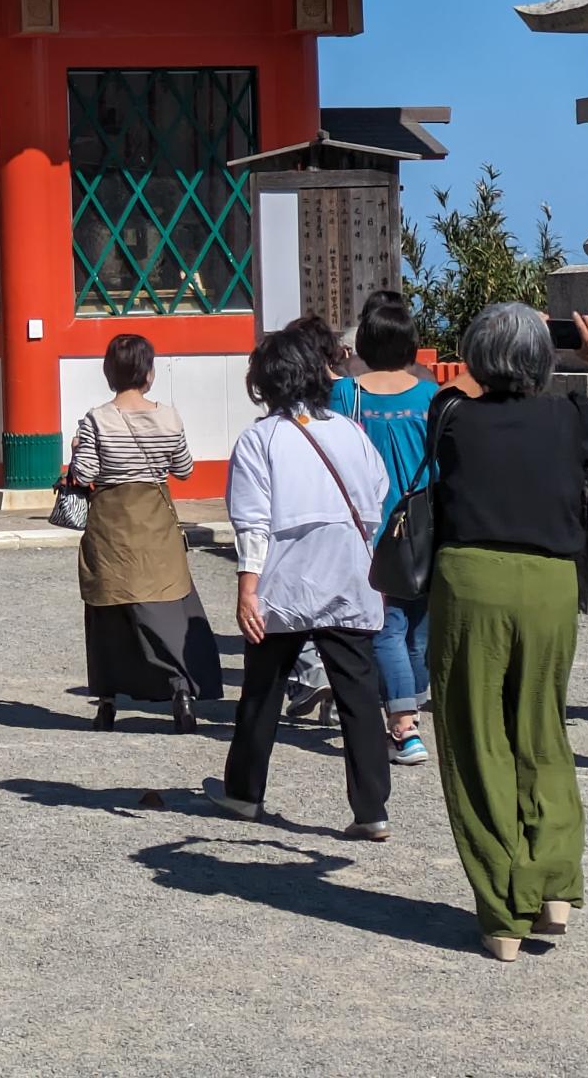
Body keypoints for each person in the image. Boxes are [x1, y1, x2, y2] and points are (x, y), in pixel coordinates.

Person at [429, 303, 588, 961]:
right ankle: (554, 881)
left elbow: (466, 387)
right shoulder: (568, 417)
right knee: (541, 729)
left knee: (477, 740)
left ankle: (504, 912)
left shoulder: (450, 415)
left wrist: (495, 347)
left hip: (469, 578)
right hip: (551, 580)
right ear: (544, 358)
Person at [206, 319, 393, 837]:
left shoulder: (259, 439)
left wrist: (247, 589)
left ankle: (245, 792)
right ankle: (371, 807)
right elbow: (375, 498)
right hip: (349, 573)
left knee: (263, 690)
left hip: (285, 578)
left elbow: (253, 521)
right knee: (358, 694)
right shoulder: (351, 432)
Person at [69, 334, 222, 732]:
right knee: (169, 605)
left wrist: (76, 449)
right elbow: (184, 469)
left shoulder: (96, 419)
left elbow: (83, 474)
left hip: (111, 526)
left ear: (110, 372)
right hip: (155, 524)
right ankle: (182, 690)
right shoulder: (168, 416)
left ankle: (107, 700)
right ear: (148, 372)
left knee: (110, 613)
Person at [321, 290, 440, 768]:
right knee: (418, 626)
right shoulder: (432, 396)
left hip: (368, 524)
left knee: (385, 625)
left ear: (365, 342)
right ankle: (409, 706)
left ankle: (404, 726)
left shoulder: (346, 394)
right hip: (427, 521)